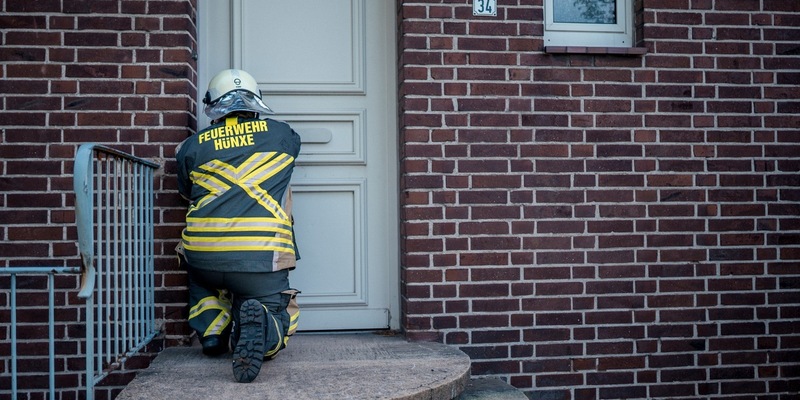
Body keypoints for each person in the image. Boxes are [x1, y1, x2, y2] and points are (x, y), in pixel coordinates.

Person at [175, 69, 301, 383]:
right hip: (259, 257)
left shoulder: (191, 146)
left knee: (202, 283)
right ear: (255, 102)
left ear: (212, 105)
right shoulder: (282, 135)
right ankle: (264, 325)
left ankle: (213, 332)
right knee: (273, 305)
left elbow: (185, 194)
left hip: (204, 255)